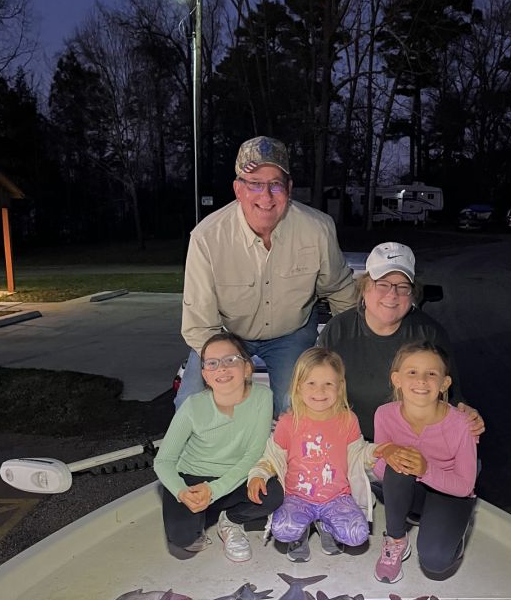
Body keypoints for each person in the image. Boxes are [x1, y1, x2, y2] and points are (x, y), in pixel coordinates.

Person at [176, 136, 358, 417]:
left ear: (289, 188)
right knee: (191, 404)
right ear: (238, 189)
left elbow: (340, 290)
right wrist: (229, 367)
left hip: (293, 332)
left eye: (275, 184)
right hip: (227, 335)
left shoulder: (318, 228)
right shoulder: (206, 238)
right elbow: (199, 324)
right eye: (255, 184)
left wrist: (347, 345)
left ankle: (289, 447)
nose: (266, 196)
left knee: (296, 406)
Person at [247, 347, 403, 563]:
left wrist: (381, 449)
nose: (319, 391)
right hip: (297, 498)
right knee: (283, 529)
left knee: (357, 534)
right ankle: (299, 534)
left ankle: (327, 525)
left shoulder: (348, 420)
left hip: (336, 497)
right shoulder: (288, 423)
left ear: (340, 387)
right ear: (298, 386)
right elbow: (270, 458)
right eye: (311, 383)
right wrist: (257, 476)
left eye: (328, 384)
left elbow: (359, 453)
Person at [317, 241, 484, 440]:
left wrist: (467, 414)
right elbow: (315, 388)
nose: (392, 294)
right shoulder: (337, 330)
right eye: (382, 284)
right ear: (364, 287)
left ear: (412, 293)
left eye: (402, 287)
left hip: (411, 445)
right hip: (351, 443)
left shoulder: (429, 333)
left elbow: (452, 395)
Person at [154, 332, 283, 563]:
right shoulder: (193, 406)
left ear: (247, 368)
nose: (221, 368)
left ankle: (231, 520)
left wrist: (214, 490)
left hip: (236, 476)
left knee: (274, 494)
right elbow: (163, 461)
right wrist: (181, 492)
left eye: (230, 360)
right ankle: (200, 513)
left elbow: (253, 454)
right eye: (212, 363)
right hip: (193, 477)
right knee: (182, 538)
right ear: (205, 375)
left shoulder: (263, 397)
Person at [372, 341, 477, 583]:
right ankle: (396, 539)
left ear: (445, 383)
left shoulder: (463, 424)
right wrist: (389, 452)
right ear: (397, 379)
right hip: (411, 489)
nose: (421, 380)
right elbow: (378, 468)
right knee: (398, 461)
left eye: (431, 374)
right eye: (412, 372)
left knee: (436, 561)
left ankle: (453, 531)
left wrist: (426, 470)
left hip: (450, 493)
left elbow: (465, 486)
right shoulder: (384, 414)